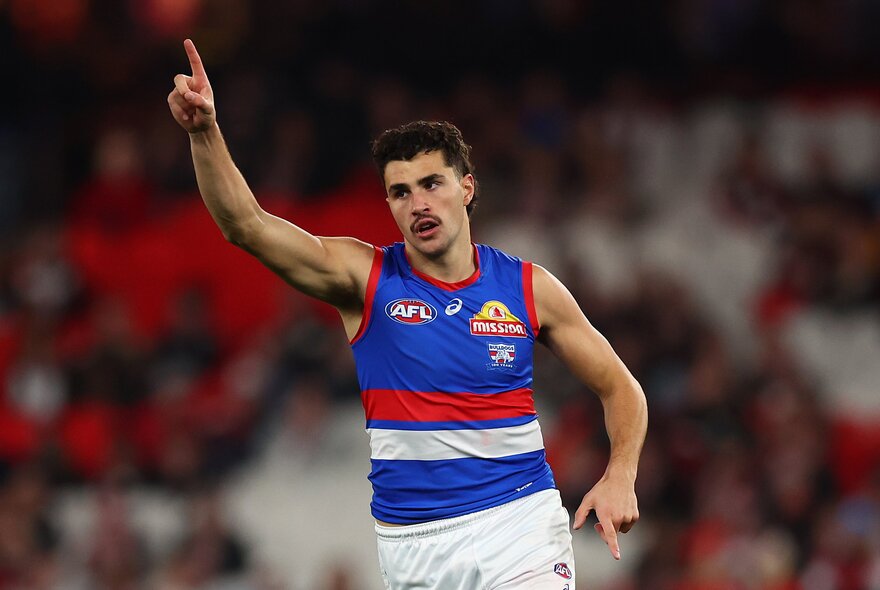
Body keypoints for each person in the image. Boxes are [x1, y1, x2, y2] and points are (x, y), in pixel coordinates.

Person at [167, 38, 647, 590]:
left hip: (520, 526)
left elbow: (621, 387)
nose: (417, 203)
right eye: (399, 192)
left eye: (431, 184)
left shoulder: (528, 288)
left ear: (466, 188)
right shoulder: (364, 279)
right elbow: (245, 226)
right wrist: (204, 132)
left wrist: (621, 473)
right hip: (413, 545)